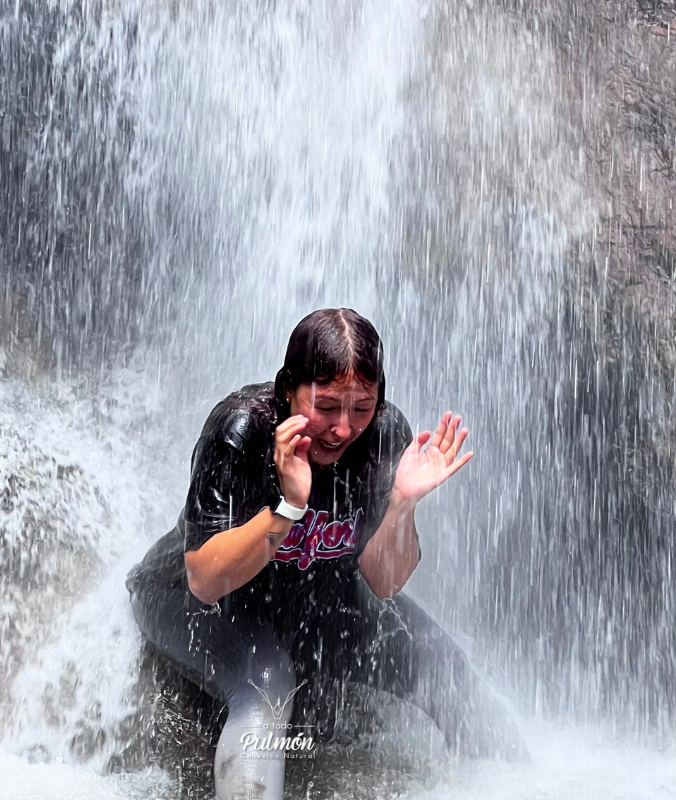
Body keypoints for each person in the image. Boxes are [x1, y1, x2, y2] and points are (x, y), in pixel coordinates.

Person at [126, 308, 525, 800]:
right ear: (287, 390)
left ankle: (529, 787)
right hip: (192, 601)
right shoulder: (242, 431)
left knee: (439, 663)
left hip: (317, 601)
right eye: (327, 406)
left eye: (362, 408)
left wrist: (403, 504)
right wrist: (289, 507)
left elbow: (383, 582)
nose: (342, 428)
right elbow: (205, 580)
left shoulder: (382, 438)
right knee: (266, 680)